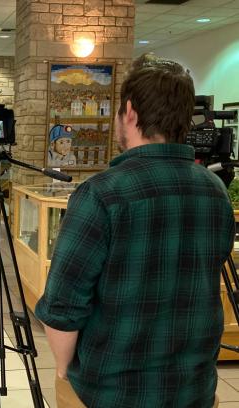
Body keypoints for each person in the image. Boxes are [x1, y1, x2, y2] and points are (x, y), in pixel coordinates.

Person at [35, 54, 235, 408]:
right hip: (194, 390)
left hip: (110, 392)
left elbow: (63, 307)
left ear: (129, 112)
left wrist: (65, 371)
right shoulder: (214, 190)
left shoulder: (100, 194)